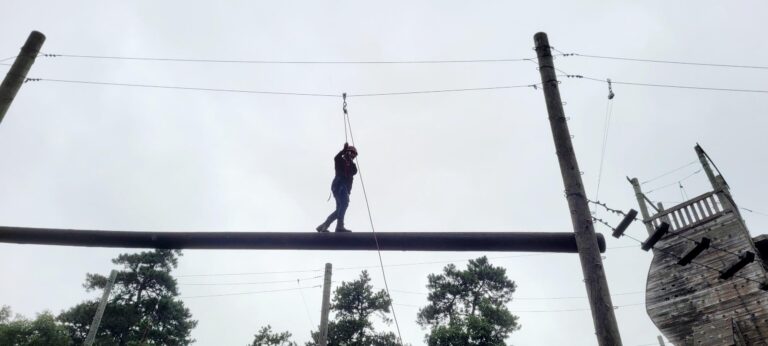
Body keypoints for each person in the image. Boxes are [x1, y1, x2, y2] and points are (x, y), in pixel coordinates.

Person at [317, 143, 358, 232]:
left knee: (339, 210)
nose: (352, 155)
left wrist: (349, 160)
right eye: (351, 153)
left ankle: (324, 225)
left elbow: (354, 171)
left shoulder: (351, 166)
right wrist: (343, 151)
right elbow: (336, 158)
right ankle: (339, 226)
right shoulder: (340, 161)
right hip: (339, 185)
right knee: (344, 204)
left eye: (353, 154)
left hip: (342, 188)